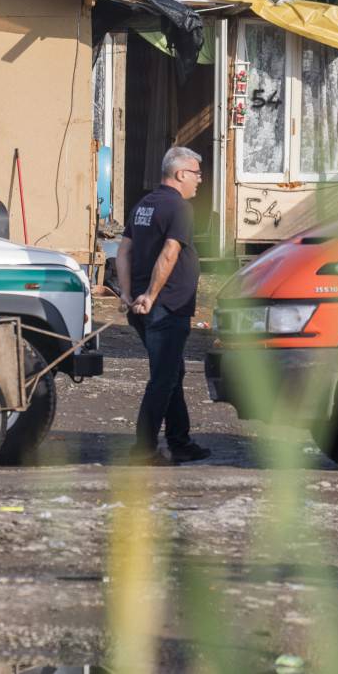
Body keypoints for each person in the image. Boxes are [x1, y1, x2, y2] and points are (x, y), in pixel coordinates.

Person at [113, 146, 212, 466]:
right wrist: (152, 296)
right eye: (196, 173)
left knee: (172, 372)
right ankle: (143, 449)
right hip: (164, 307)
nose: (199, 180)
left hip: (144, 306)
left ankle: (180, 442)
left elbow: (123, 252)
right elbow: (169, 253)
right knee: (163, 378)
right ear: (181, 174)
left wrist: (128, 294)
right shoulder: (178, 208)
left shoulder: (144, 204)